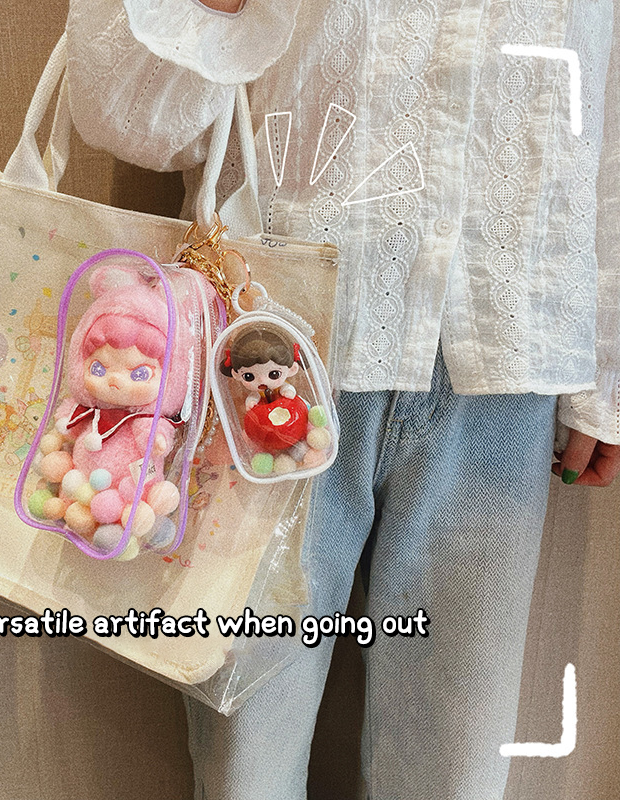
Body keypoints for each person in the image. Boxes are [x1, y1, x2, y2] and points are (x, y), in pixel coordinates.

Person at [72, 0, 620, 797]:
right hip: (271, 347)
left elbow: (606, 102)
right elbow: (130, 119)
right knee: (245, 760)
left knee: (454, 766)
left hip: (506, 351)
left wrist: (607, 372)